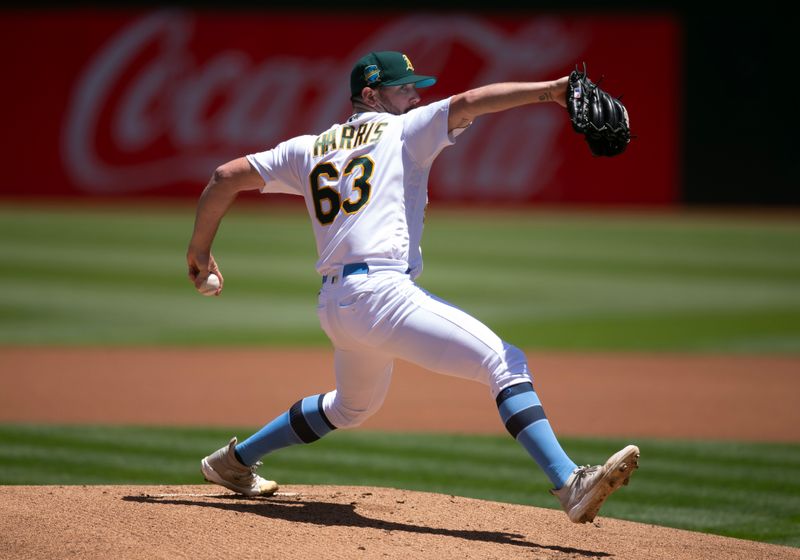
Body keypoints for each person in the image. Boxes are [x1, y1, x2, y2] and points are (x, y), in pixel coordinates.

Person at [186, 50, 639, 524]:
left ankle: (232, 463)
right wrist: (552, 90)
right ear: (370, 95)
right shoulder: (402, 129)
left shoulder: (309, 147)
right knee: (504, 361)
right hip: (382, 295)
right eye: (403, 88)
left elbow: (223, 177)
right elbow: (468, 102)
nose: (414, 94)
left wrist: (199, 253)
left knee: (351, 406)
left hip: (336, 305)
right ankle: (570, 483)